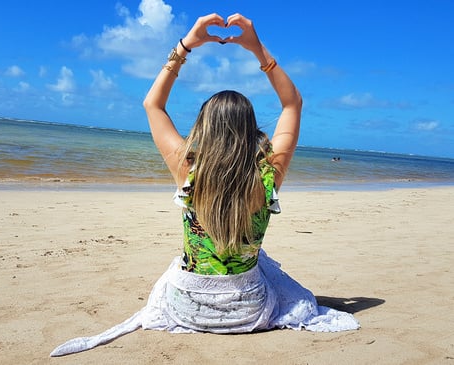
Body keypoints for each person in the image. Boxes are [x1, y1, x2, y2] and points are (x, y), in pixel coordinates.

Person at [50, 13, 358, 357]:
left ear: (203, 127)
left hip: (187, 306)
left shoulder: (188, 170)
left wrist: (185, 46)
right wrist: (258, 51)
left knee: (184, 267)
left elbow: (152, 104)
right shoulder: (268, 175)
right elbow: (292, 103)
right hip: (249, 310)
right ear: (250, 131)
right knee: (266, 267)